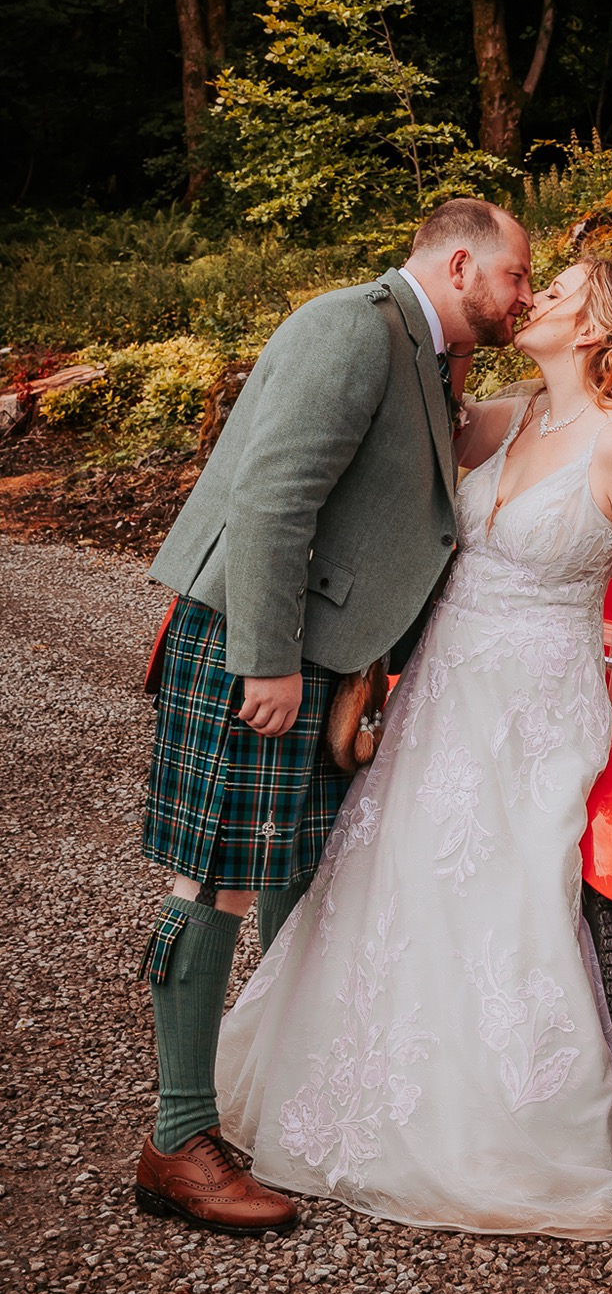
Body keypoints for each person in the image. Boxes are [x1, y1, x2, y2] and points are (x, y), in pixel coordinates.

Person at [215, 257, 612, 1240]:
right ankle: (359, 1093)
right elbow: (411, 440)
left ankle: (498, 1132)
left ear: (596, 327)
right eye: (535, 281)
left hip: (531, 705)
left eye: (559, 288)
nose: (537, 295)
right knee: (396, 880)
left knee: (500, 899)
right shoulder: (514, 418)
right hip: (442, 690)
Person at [134, 199, 534, 1235]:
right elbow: (273, 496)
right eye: (517, 277)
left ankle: (272, 1095)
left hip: (320, 655)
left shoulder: (427, 352)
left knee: (296, 866)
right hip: (255, 644)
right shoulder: (354, 325)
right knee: (217, 875)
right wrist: (265, 659)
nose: (524, 295)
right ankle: (178, 1138)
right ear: (460, 262)